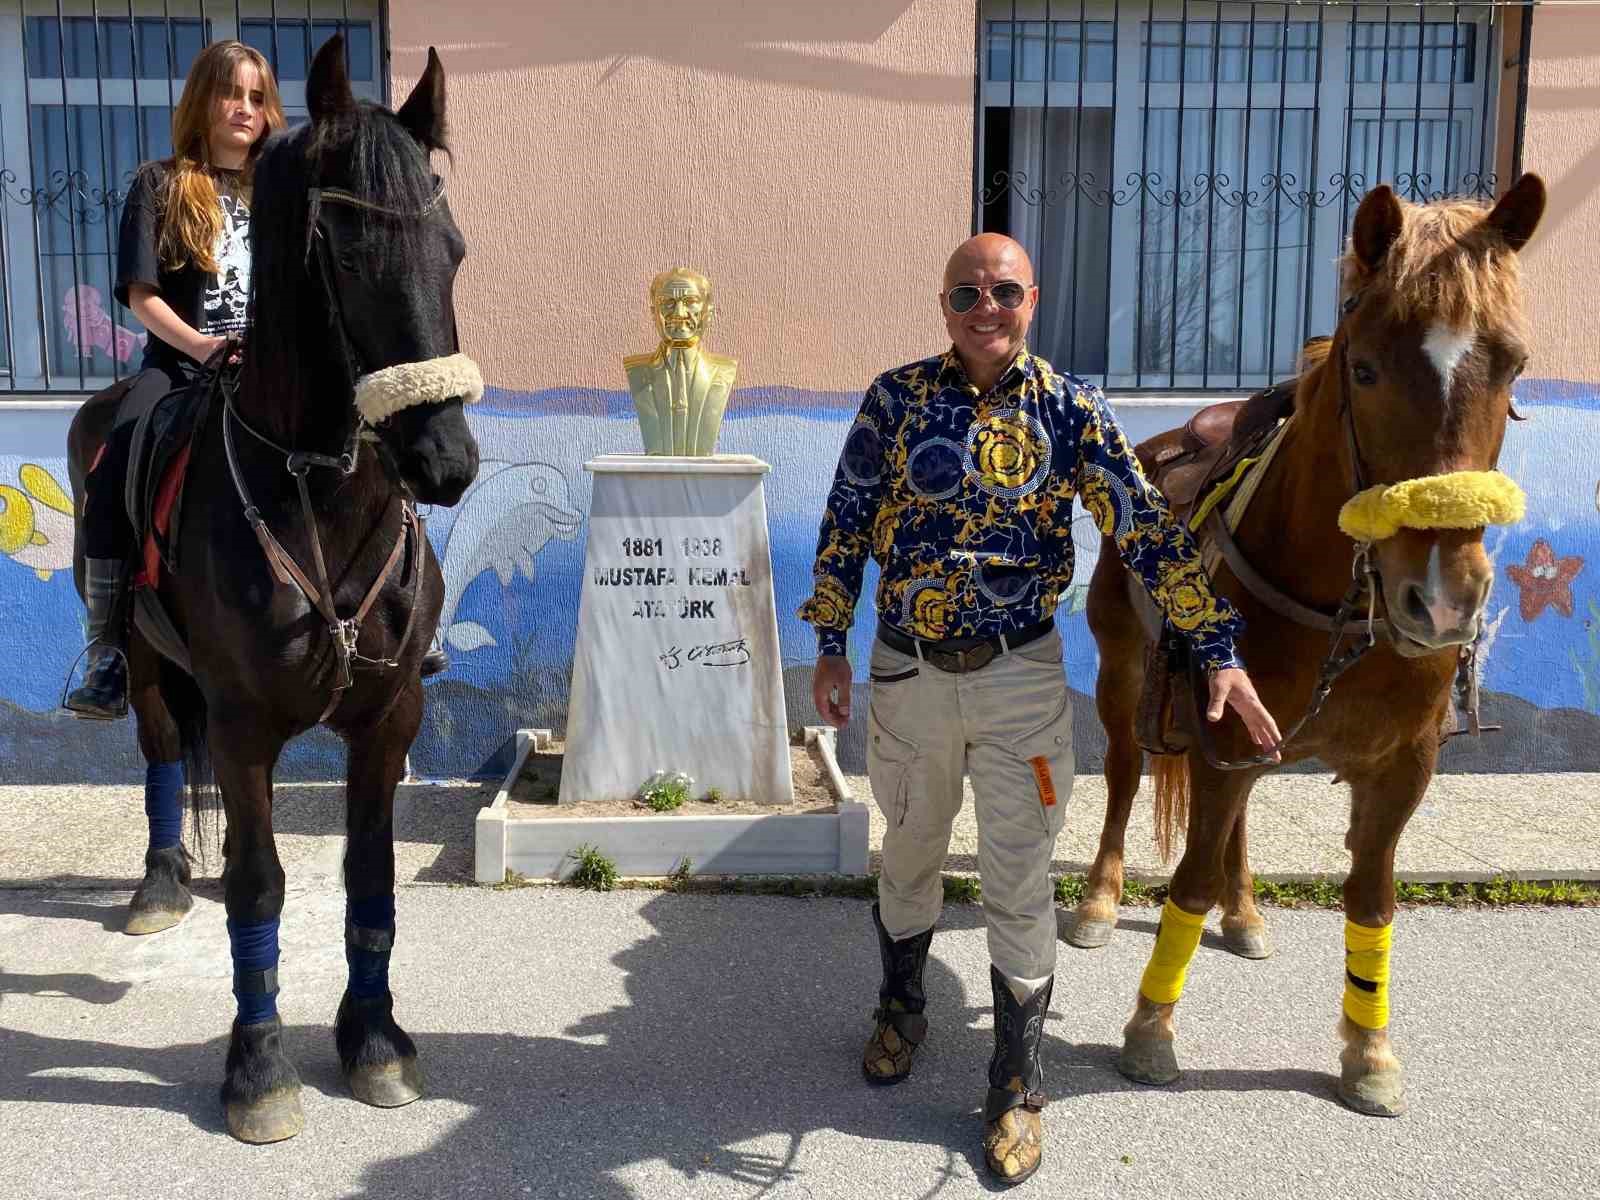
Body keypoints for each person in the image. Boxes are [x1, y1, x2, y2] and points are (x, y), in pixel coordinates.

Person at [798, 233, 1280, 1185]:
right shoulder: (895, 400)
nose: (986, 306)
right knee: (911, 851)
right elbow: (846, 516)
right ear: (944, 304)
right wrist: (828, 640)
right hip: (907, 676)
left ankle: (1016, 1081)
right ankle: (901, 1008)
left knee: (1020, 877)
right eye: (966, 292)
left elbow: (1146, 529)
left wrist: (1217, 647)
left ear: (1033, 298)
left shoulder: (1071, 409)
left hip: (1020, 679)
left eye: (1004, 291)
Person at [64, 40, 443, 721]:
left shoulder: (284, 190)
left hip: (276, 373)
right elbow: (142, 295)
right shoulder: (160, 184)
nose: (243, 108)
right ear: (202, 103)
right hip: (182, 367)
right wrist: (202, 346)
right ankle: (108, 647)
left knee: (382, 441)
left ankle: (410, 616)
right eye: (230, 93)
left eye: (257, 96)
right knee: (120, 449)